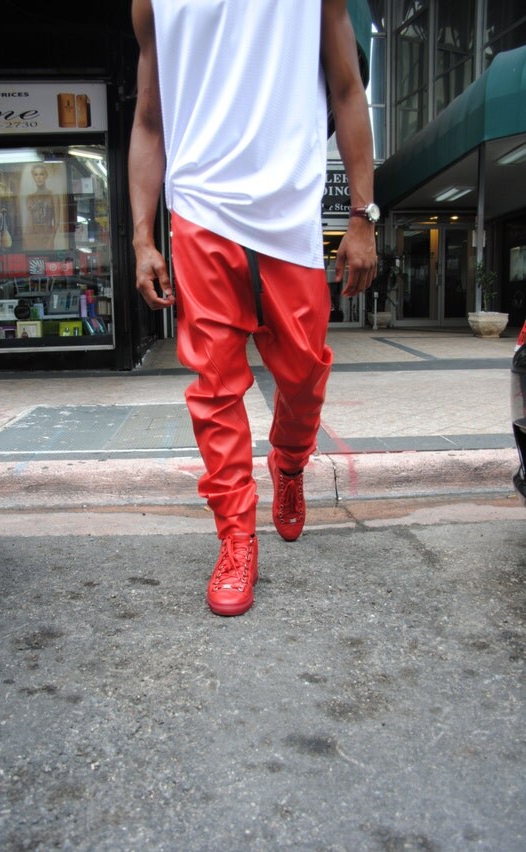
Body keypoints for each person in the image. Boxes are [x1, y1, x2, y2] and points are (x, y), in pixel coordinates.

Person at [129, 0, 377, 617]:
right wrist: (141, 236)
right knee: (214, 389)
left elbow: (347, 90)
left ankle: (289, 464)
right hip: (200, 214)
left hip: (289, 215)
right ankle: (236, 540)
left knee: (304, 375)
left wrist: (363, 215)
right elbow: (150, 119)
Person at [23, 164, 60, 251]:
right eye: (36, 174)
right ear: (33, 177)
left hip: (47, 235)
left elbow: (57, 221)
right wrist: (26, 239)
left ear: (45, 176)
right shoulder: (29, 197)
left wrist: (52, 239)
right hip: (32, 237)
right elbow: (29, 221)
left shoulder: (53, 196)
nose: (39, 177)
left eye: (41, 174)